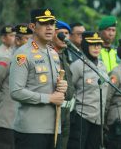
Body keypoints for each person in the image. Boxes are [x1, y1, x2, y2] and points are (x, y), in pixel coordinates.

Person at [9, 9, 68, 149]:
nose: (49, 27)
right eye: (44, 23)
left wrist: (62, 86)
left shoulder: (53, 54)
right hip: (31, 130)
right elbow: (16, 91)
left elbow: (51, 86)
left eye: (52, 23)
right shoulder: (23, 54)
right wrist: (48, 98)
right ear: (33, 27)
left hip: (54, 128)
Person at [0, 24, 33, 149]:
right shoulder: (6, 60)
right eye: (27, 39)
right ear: (17, 41)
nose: (32, 43)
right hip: (7, 121)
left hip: (25, 123)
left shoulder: (31, 62)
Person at [68, 31, 109, 149]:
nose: (97, 47)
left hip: (99, 119)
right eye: (92, 44)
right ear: (85, 45)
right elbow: (69, 90)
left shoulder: (102, 65)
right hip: (82, 117)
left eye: (99, 44)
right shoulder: (77, 66)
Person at [51, 20, 74, 149]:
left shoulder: (65, 56)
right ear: (53, 34)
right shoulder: (49, 55)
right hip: (54, 110)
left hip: (66, 111)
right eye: (61, 33)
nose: (65, 37)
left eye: (67, 33)